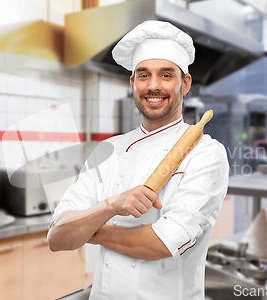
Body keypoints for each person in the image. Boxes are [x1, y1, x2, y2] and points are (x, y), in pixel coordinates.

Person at [48, 20, 229, 299]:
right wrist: (111, 206)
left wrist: (88, 229)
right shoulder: (108, 149)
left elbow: (161, 243)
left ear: (185, 84)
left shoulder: (207, 153)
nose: (153, 86)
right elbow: (58, 237)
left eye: (166, 75)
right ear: (133, 83)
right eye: (143, 75)